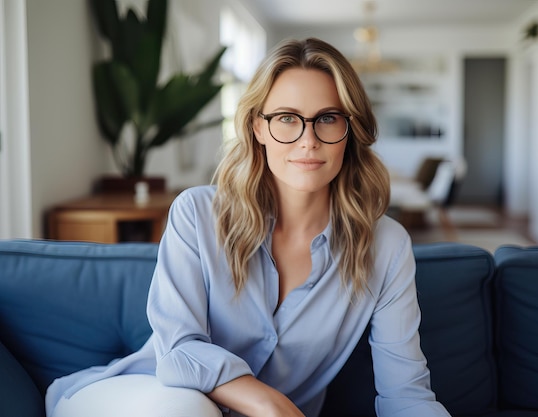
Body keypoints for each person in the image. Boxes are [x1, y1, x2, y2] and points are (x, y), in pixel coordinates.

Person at [45, 37, 451, 417]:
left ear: (350, 129)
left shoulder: (386, 247)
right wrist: (268, 403)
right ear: (258, 128)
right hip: (142, 398)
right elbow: (178, 351)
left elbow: (406, 394)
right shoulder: (197, 214)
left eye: (327, 118)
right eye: (287, 119)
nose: (308, 140)